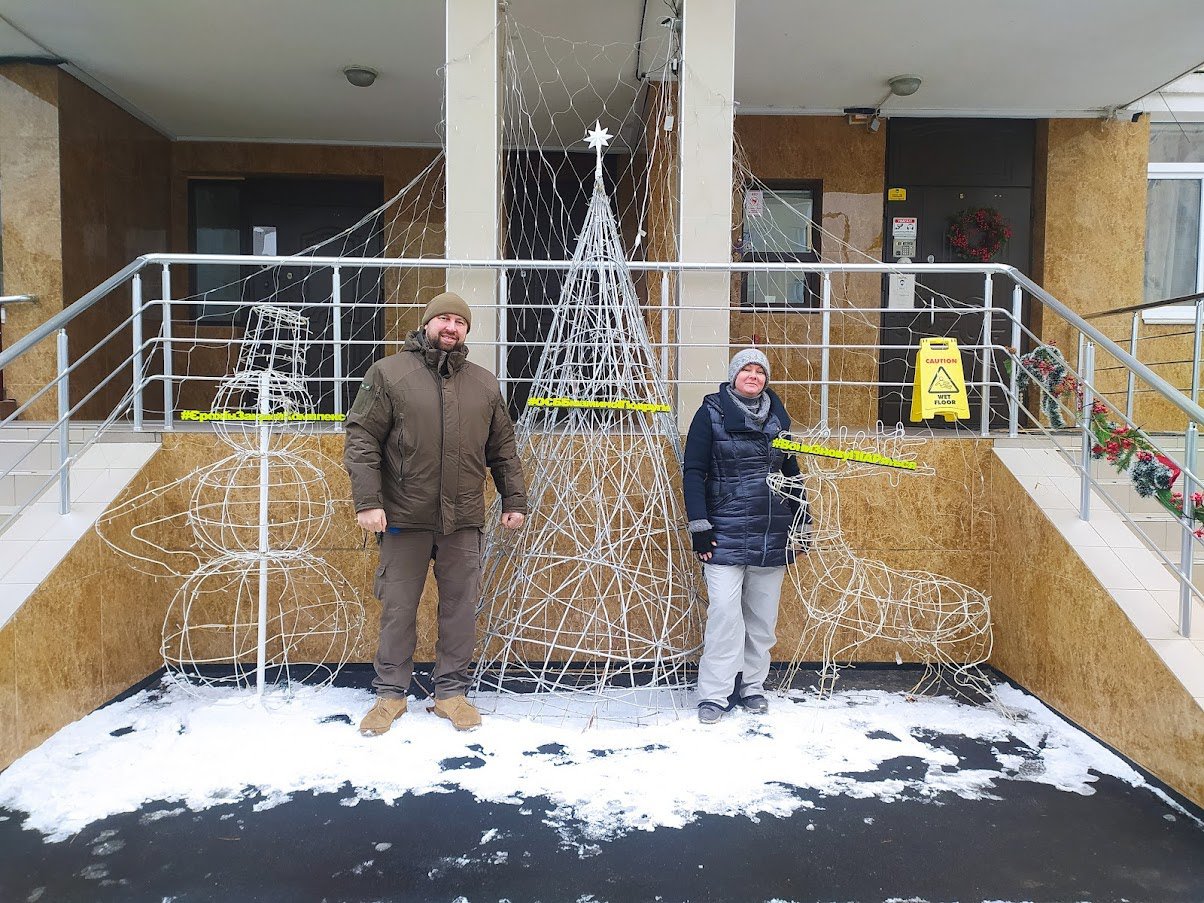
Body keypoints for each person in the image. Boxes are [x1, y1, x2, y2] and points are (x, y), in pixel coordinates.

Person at [345, 291, 528, 736]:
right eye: (442, 319)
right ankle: (390, 694)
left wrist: (514, 499)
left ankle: (451, 694)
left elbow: (502, 449)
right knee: (398, 607)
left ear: (467, 331)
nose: (451, 327)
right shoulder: (389, 374)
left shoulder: (483, 384)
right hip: (404, 518)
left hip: (462, 520)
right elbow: (361, 438)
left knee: (460, 609)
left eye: (459, 322)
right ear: (427, 324)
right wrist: (369, 502)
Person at [682, 348, 804, 724]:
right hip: (725, 532)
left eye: (760, 371)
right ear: (733, 376)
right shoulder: (710, 414)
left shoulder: (778, 417)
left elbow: (791, 469)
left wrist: (801, 516)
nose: (753, 376)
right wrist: (699, 526)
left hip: (771, 529)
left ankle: (752, 686)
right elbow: (693, 471)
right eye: (746, 370)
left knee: (762, 617)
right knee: (723, 613)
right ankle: (715, 695)